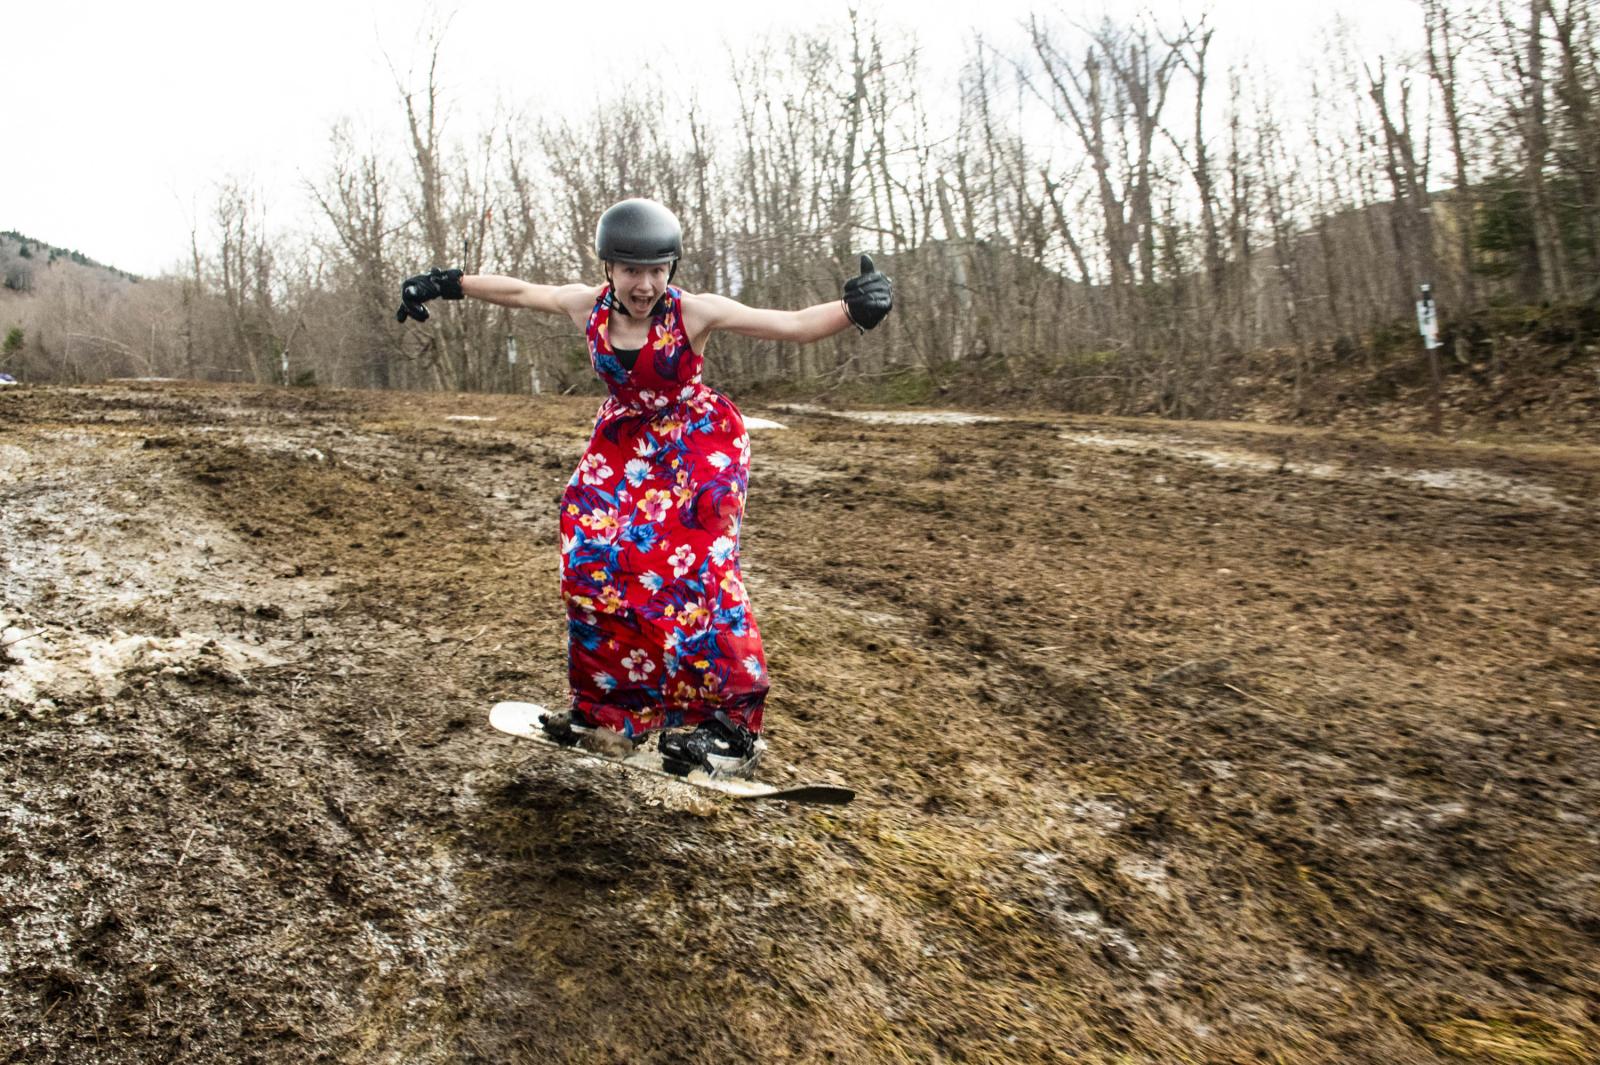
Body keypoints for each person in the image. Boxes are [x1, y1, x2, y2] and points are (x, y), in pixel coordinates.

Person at [397, 198, 892, 776]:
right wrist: (442, 283)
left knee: (698, 570)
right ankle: (605, 711)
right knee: (591, 557)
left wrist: (854, 309)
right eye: (633, 270)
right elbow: (519, 292)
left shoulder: (693, 314)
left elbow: (790, 325)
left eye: (659, 269)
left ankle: (732, 730)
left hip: (697, 441)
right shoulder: (587, 307)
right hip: (625, 443)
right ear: (610, 267)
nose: (646, 283)